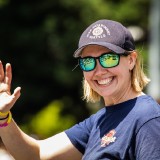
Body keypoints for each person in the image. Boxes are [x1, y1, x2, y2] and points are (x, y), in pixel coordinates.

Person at [0, 19, 160, 160]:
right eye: (88, 62)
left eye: (108, 58)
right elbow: (36, 154)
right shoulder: (99, 121)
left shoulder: (147, 118)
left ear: (131, 60)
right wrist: (2, 116)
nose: (99, 70)